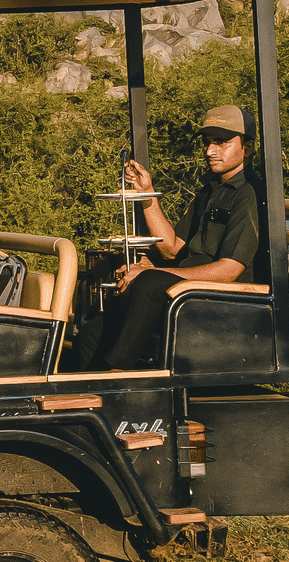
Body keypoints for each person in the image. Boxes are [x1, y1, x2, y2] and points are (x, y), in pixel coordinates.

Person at [74, 105, 265, 372]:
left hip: (221, 304)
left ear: (249, 147)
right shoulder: (211, 190)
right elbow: (172, 249)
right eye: (208, 143)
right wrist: (147, 194)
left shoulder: (249, 194)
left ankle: (118, 379)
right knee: (92, 334)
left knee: (150, 281)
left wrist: (152, 274)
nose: (210, 151)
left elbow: (231, 269)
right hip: (186, 293)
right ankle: (85, 394)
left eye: (221, 143)